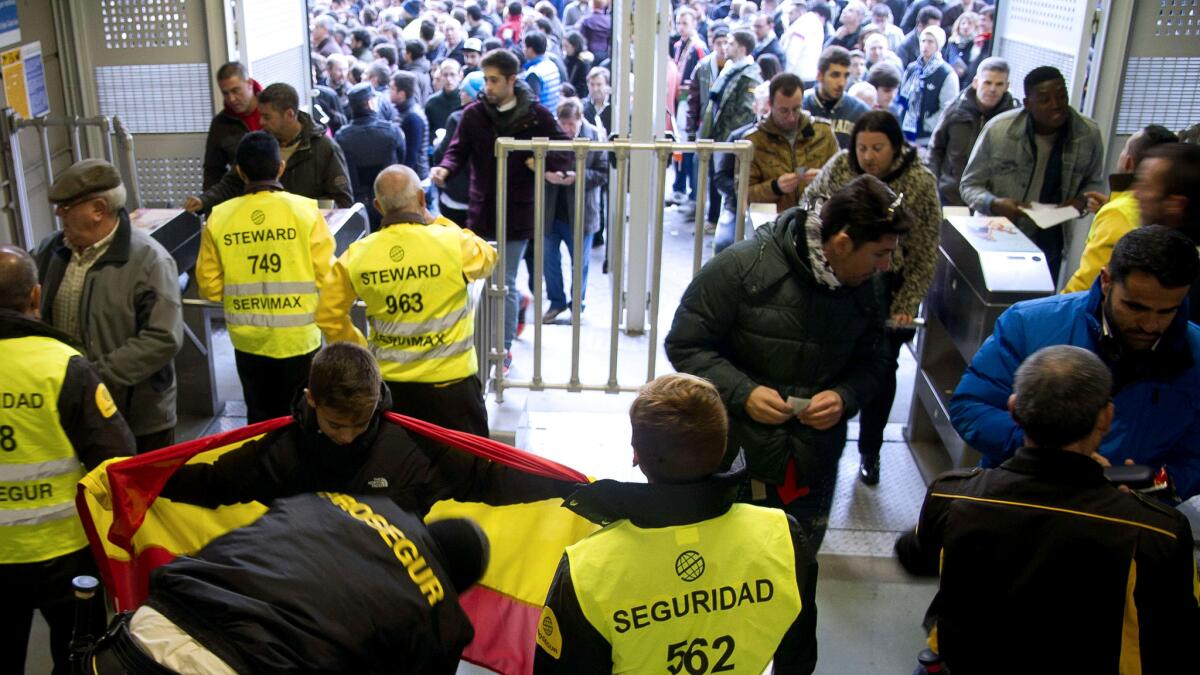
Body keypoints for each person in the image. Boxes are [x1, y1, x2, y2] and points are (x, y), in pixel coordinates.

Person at [898, 345, 1199, 673]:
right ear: (1106, 417)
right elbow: (1179, 634)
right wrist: (1133, 506)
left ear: (1014, 409)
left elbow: (914, 556)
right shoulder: (1158, 531)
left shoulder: (953, 496)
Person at [666, 175, 904, 547]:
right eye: (880, 253)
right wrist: (743, 392)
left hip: (816, 463)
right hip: (739, 458)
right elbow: (685, 344)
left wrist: (845, 396)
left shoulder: (866, 282)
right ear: (842, 243)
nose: (887, 265)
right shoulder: (741, 268)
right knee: (730, 566)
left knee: (798, 564)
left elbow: (877, 360)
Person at [532, 374, 818, 674]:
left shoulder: (588, 567)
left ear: (636, 455)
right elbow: (798, 660)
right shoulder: (783, 536)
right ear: (722, 449)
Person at [87, 494, 487, 674]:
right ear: (458, 585)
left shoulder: (340, 502)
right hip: (245, 664)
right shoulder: (440, 615)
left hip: (147, 626)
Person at [950, 226, 1200, 501]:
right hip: (1021, 502)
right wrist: (1049, 454)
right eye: (1135, 307)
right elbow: (970, 406)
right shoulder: (1029, 324)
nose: (1150, 324)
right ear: (1106, 281)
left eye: (1167, 311)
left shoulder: (1196, 354)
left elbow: (1195, 455)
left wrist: (1160, 484)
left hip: (1126, 518)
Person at [0, 245, 133, 675]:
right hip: (66, 554)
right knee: (79, 659)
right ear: (36, 296)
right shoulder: (63, 366)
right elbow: (116, 457)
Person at [803, 111, 940, 485]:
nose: (868, 156)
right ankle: (822, 448)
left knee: (880, 372)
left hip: (891, 289)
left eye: (877, 148)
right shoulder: (838, 167)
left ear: (895, 147)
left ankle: (870, 450)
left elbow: (926, 249)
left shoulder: (919, 182)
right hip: (838, 282)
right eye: (862, 147)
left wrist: (905, 306)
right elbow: (810, 210)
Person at [319, 165, 496, 435]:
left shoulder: (357, 256)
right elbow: (488, 258)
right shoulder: (451, 242)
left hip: (390, 389)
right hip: (453, 387)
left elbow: (327, 314)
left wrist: (362, 352)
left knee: (400, 471)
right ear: (422, 199)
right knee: (468, 470)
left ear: (378, 206)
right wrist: (438, 221)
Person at [430, 49, 571, 370]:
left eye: (495, 80)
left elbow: (564, 148)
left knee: (503, 280)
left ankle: (502, 350)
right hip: (480, 211)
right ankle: (503, 319)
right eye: (486, 80)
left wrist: (543, 159)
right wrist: (445, 169)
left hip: (517, 213)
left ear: (511, 79)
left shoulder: (536, 115)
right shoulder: (474, 114)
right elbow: (457, 149)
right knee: (482, 279)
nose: (489, 86)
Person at [34, 159, 183, 452]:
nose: (58, 214)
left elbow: (162, 338)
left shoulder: (149, 260)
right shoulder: (51, 251)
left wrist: (92, 378)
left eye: (66, 208)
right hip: (71, 412)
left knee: (140, 496)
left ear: (98, 210)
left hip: (136, 416)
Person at [195, 132, 335, 424]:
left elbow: (209, 286)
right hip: (300, 339)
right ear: (280, 167)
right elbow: (327, 276)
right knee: (302, 414)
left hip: (248, 340)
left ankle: (263, 466)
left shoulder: (219, 217)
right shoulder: (306, 211)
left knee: (259, 416)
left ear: (240, 172)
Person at [959, 66, 1105, 284]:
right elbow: (969, 186)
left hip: (1051, 241)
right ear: (1028, 104)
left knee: (1037, 304)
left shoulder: (1087, 133)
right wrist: (995, 203)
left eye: (1061, 96)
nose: (1056, 106)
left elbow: (1093, 182)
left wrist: (1083, 201)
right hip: (999, 235)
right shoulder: (999, 130)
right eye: (1045, 100)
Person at [187, 83, 353, 213]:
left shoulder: (324, 148)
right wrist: (204, 201)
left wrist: (296, 209)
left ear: (289, 115)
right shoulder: (258, 144)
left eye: (267, 117)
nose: (261, 123)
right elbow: (232, 182)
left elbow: (342, 202)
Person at [1063, 126, 1178, 294]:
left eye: (1124, 149)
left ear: (1128, 161)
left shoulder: (1117, 212)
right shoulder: (1170, 205)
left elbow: (1090, 281)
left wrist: (1056, 309)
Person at [541, 99, 607, 324]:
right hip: (552, 211)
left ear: (580, 119)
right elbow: (536, 164)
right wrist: (546, 175)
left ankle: (577, 304)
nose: (567, 129)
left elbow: (604, 172)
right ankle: (556, 302)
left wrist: (580, 177)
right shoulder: (549, 135)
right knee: (549, 261)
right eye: (563, 124)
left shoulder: (596, 136)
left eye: (572, 124)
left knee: (580, 263)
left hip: (581, 213)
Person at [743, 72, 838, 214]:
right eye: (784, 111)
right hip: (771, 224)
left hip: (817, 218)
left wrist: (823, 179)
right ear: (770, 104)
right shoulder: (754, 141)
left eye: (796, 109)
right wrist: (775, 187)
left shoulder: (823, 132)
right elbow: (743, 195)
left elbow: (843, 182)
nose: (791, 117)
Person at [928, 56, 1017, 206]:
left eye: (999, 84)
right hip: (951, 197)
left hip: (992, 202)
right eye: (987, 83)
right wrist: (933, 187)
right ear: (976, 82)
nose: (992, 89)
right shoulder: (955, 111)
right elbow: (935, 150)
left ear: (1007, 86)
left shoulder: (1013, 120)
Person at [432, 71, 484, 228]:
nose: (461, 93)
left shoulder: (457, 118)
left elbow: (443, 153)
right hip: (484, 197)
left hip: (457, 195)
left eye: (465, 91)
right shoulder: (495, 117)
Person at [202, 62, 262, 190]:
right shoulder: (221, 124)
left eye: (236, 91)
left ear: (250, 84)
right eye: (225, 93)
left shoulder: (273, 110)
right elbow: (213, 170)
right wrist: (208, 205)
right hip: (242, 194)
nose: (231, 99)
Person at [898, 25, 957, 146]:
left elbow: (948, 109)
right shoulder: (912, 68)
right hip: (905, 133)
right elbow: (901, 98)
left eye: (930, 41)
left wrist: (926, 124)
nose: (925, 45)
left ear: (938, 45)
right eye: (923, 41)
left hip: (929, 137)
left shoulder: (946, 73)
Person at [701, 29, 763, 144]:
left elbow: (746, 113)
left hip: (727, 140)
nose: (725, 47)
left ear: (742, 49)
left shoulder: (749, 77)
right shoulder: (728, 70)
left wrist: (726, 135)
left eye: (730, 44)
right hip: (715, 135)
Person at [802, 46, 871, 149]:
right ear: (819, 76)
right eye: (835, 75)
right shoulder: (800, 106)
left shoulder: (860, 111)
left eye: (846, 76)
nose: (842, 83)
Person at [390, 71, 432, 181]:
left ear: (402, 94)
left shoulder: (413, 118)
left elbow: (411, 156)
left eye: (392, 88)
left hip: (415, 180)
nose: (389, 91)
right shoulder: (402, 111)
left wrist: (402, 181)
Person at [782, 1, 831, 88]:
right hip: (808, 75)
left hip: (797, 75)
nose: (788, 16)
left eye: (791, 13)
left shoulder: (805, 23)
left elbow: (793, 51)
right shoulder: (813, 23)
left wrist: (786, 75)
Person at [426, 58, 464, 139]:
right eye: (445, 75)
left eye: (452, 74)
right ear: (440, 76)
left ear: (460, 76)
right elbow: (427, 132)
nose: (448, 79)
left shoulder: (466, 101)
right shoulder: (432, 102)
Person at [579, 0, 611, 65]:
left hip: (590, 54)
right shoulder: (609, 20)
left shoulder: (586, 20)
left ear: (592, 5)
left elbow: (581, 38)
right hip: (605, 53)